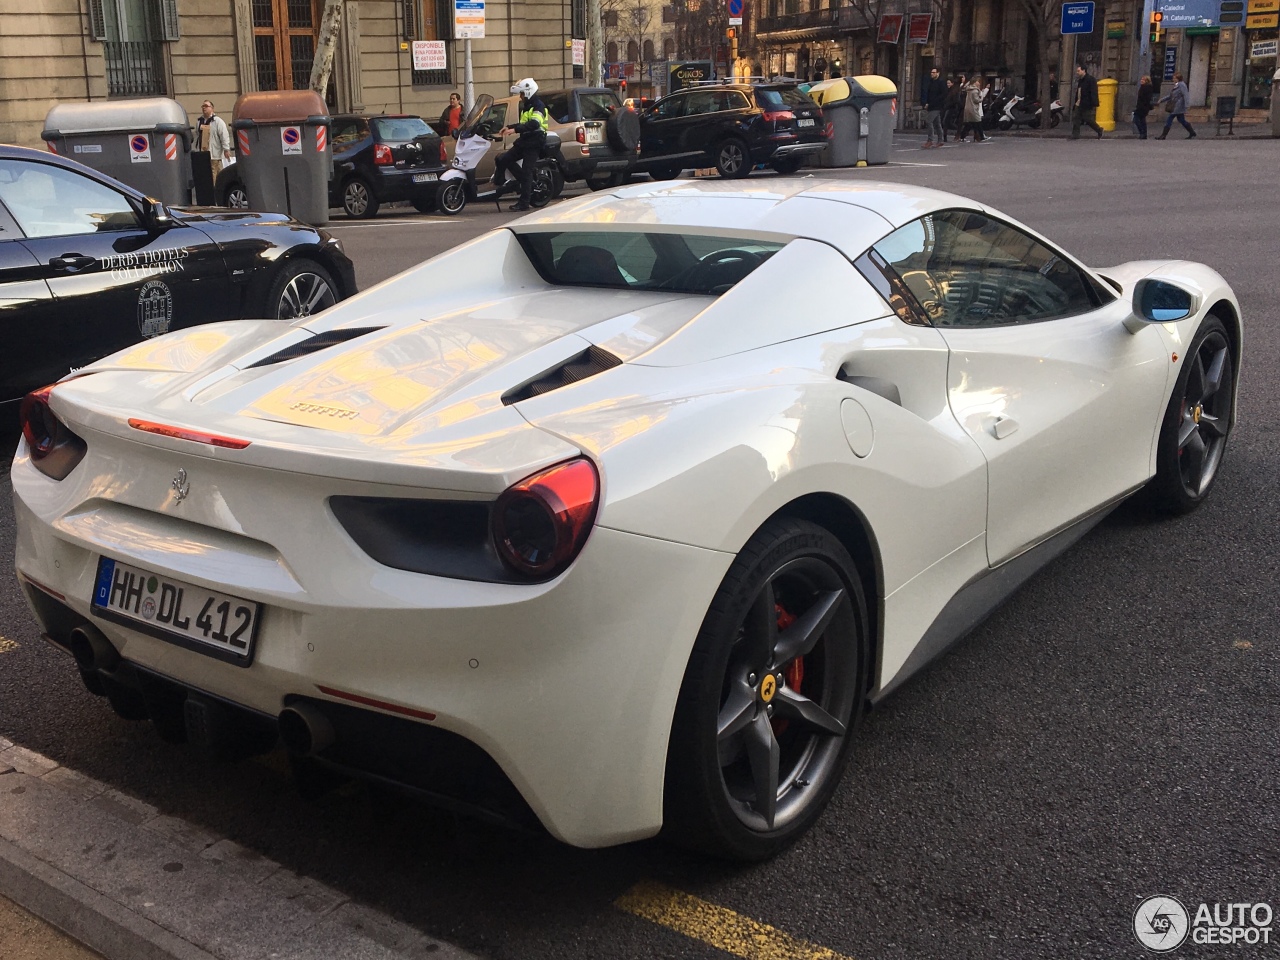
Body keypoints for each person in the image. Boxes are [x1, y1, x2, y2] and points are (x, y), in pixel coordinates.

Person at [493, 77, 548, 211]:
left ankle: (524, 203)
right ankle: (506, 183)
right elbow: (524, 124)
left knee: (527, 171)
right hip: (525, 141)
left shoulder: (538, 106)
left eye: (522, 94)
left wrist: (515, 129)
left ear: (528, 92)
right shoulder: (527, 106)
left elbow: (534, 123)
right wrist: (509, 127)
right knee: (503, 159)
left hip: (535, 142)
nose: (521, 97)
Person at [196, 100, 233, 179]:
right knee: (209, 175)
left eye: (206, 106)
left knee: (214, 175)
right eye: (203, 106)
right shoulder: (199, 122)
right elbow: (198, 134)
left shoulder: (217, 121)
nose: (204, 108)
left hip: (214, 154)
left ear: (212, 108)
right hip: (203, 154)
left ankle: (215, 190)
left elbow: (224, 135)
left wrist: (226, 149)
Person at [1157, 73, 1196, 139]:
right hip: (1176, 105)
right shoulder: (1177, 85)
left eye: (1174, 78)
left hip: (1178, 105)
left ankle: (1163, 135)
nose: (1173, 79)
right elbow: (1171, 95)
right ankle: (1192, 132)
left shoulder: (1182, 85)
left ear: (1178, 78)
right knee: (1181, 120)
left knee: (1170, 118)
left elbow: (1185, 95)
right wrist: (1162, 100)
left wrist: (1187, 105)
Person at [1071, 65, 1103, 139]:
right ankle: (1075, 135)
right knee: (1076, 118)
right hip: (1079, 103)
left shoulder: (1090, 80)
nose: (1077, 72)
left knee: (1088, 119)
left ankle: (1099, 129)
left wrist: (1093, 103)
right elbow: (1078, 92)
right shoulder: (1080, 80)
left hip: (1086, 103)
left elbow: (1093, 92)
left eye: (1079, 71)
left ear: (1084, 70)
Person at [921, 67, 947, 148]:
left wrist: (933, 102)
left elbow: (943, 94)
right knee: (937, 123)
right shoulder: (931, 82)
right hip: (931, 105)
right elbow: (929, 93)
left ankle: (930, 140)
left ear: (938, 73)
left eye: (934, 72)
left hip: (937, 106)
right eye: (931, 72)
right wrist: (926, 103)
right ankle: (940, 140)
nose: (932, 74)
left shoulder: (941, 82)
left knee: (929, 121)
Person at [958, 78, 987, 143]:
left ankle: (962, 136)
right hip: (973, 108)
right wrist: (982, 98)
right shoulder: (975, 90)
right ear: (974, 82)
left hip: (968, 107)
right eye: (977, 81)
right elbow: (977, 100)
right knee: (978, 122)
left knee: (969, 123)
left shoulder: (969, 90)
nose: (979, 83)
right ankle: (981, 136)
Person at [943, 76, 965, 142]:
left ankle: (945, 136)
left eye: (949, 83)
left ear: (952, 83)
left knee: (946, 122)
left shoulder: (955, 91)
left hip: (952, 108)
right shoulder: (949, 90)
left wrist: (958, 106)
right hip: (948, 108)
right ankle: (945, 137)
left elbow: (956, 100)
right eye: (947, 83)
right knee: (946, 122)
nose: (948, 85)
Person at [1133, 75, 1155, 140]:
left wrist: (1143, 106)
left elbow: (1146, 98)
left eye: (1143, 80)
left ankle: (1142, 133)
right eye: (1141, 79)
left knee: (1136, 119)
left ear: (1146, 81)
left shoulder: (1146, 88)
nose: (1141, 81)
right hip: (1142, 106)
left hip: (1142, 107)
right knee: (1142, 120)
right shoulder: (1143, 87)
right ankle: (1144, 134)